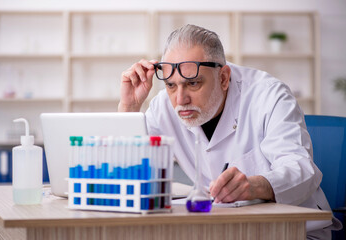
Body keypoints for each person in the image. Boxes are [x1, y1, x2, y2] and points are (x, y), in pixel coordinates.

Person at [118, 24, 342, 239]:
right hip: (221, 228)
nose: (180, 99)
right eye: (171, 85)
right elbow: (126, 171)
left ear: (223, 78)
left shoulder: (269, 95)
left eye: (193, 83)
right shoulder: (163, 107)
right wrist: (129, 107)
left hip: (291, 230)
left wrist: (255, 185)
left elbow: (302, 170)